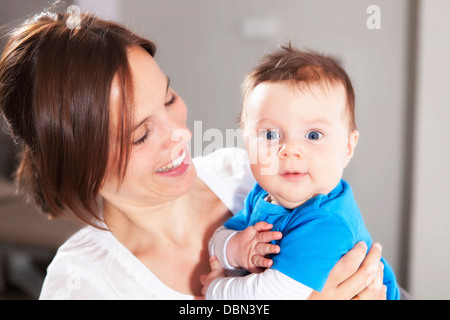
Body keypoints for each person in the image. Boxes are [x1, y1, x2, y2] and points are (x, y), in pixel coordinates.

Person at [0, 11, 386, 299]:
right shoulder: (82, 283)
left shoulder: (249, 176)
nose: (181, 133)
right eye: (140, 136)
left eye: (168, 98)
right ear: (81, 168)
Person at [203, 45, 400, 299]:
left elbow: (269, 296)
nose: (290, 150)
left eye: (313, 135)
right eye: (271, 135)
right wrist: (235, 248)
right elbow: (217, 239)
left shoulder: (326, 221)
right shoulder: (262, 195)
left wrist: (214, 289)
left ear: (348, 147)